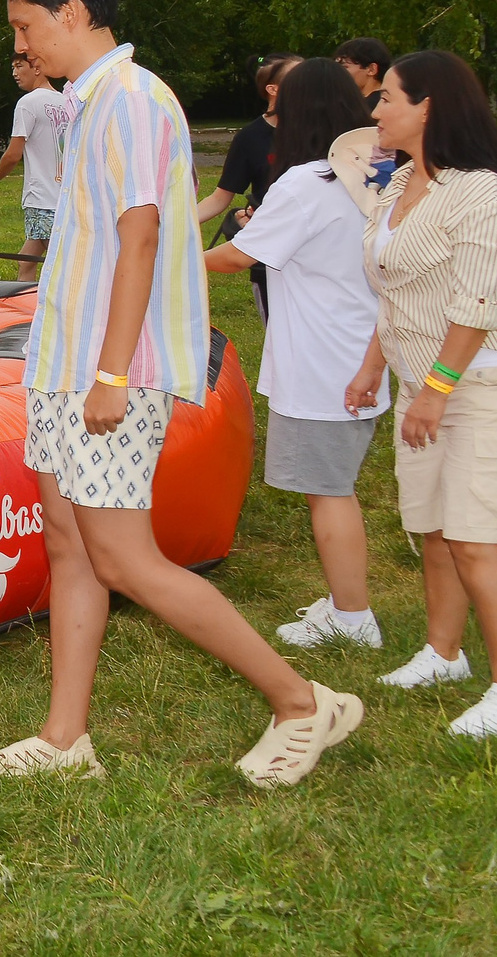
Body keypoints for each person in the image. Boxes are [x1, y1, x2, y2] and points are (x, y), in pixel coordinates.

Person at [0, 0, 358, 787]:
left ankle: (301, 701)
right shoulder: (87, 102)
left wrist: (110, 374)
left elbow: (141, 234)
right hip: (65, 363)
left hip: (113, 370)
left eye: (27, 26)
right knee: (70, 548)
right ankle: (67, 740)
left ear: (71, 13)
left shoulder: (134, 101)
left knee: (126, 559)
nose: (22, 45)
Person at [344, 50, 497, 737]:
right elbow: (395, 287)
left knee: (477, 533)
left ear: (427, 106)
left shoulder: (484, 193)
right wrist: (375, 366)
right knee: (434, 522)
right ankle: (443, 652)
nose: (375, 109)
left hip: (492, 378)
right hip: (428, 379)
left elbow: (479, 301)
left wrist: (435, 390)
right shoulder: (399, 182)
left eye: (388, 98)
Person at [201, 59, 387, 649]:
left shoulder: (308, 181)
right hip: (357, 349)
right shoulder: (374, 175)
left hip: (324, 364)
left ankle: (353, 617)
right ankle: (342, 601)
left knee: (328, 492)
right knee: (332, 485)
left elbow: (237, 257)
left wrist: (161, 263)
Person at [195, 55, 296, 317]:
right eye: (296, 77)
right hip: (269, 261)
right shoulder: (251, 138)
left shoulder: (321, 132)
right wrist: (171, 225)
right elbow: (219, 198)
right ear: (272, 89)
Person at [0, 53, 68, 283]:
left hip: (42, 198)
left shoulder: (28, 104)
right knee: (26, 260)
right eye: (12, 67)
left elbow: (13, 154)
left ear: (38, 68)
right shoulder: (65, 102)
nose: (14, 73)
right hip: (63, 198)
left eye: (19, 66)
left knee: (61, 267)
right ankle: (23, 310)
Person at [335, 38, 398, 195]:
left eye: (344, 67)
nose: (338, 74)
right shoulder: (359, 104)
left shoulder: (373, 107)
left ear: (371, 69)